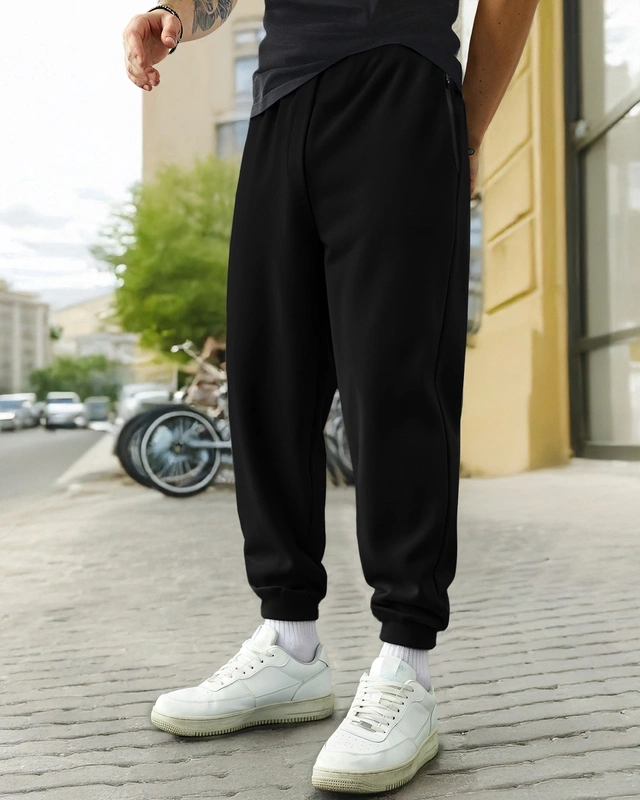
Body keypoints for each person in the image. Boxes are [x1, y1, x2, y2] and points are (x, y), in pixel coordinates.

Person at [123, 1, 539, 793]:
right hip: (279, 104)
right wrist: (175, 14)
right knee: (268, 381)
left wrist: (463, 128)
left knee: (394, 385)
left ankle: (406, 666)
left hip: (400, 79)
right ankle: (290, 648)